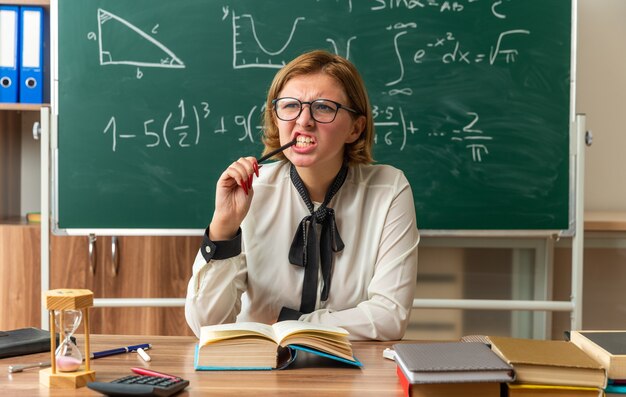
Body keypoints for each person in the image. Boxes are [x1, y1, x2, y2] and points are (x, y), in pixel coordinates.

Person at [185, 50, 419, 341]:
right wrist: (224, 228)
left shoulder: (389, 189)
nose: (303, 120)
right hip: (258, 369)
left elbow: (389, 317)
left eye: (322, 107)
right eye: (291, 106)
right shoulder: (252, 189)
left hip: (353, 375)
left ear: (355, 128)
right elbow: (207, 324)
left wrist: (292, 324)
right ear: (276, 117)